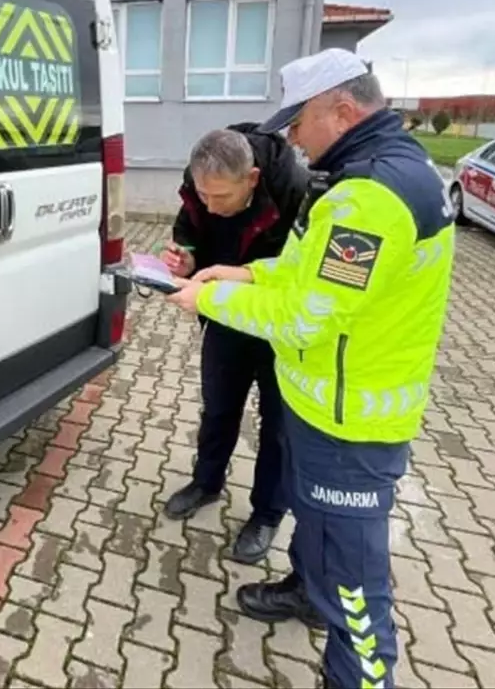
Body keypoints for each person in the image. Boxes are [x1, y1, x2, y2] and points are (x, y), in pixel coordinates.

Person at [167, 49, 455, 689]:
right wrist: (242, 271)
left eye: (299, 122)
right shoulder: (363, 176)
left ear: (343, 110)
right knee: (317, 533)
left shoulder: (371, 199)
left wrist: (209, 297)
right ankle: (303, 587)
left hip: (351, 421)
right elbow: (306, 271)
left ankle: (357, 676)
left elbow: (305, 317)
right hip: (323, 399)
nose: (291, 137)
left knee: (354, 585)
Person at [160, 124, 308, 564]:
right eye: (202, 194)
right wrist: (185, 255)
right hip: (224, 317)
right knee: (219, 407)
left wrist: (234, 280)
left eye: (221, 197)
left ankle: (266, 514)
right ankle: (206, 482)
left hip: (276, 325)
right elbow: (189, 229)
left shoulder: (295, 192)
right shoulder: (203, 182)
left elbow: (297, 271)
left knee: (278, 426)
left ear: (253, 179)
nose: (210, 204)